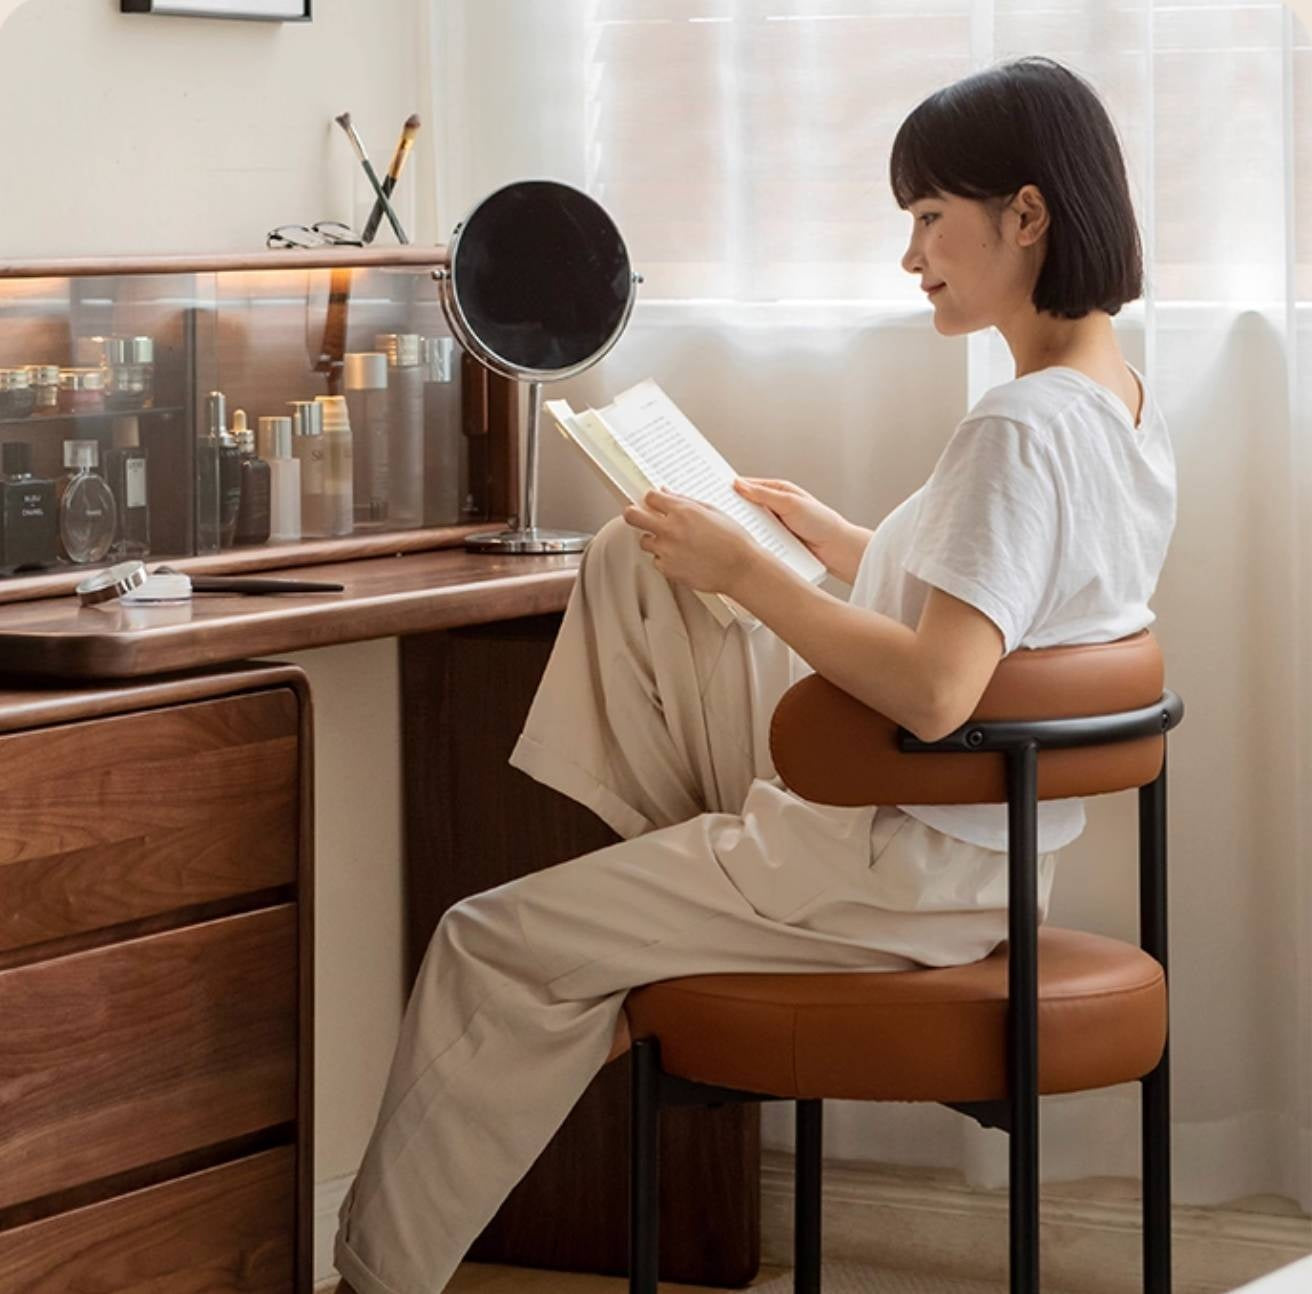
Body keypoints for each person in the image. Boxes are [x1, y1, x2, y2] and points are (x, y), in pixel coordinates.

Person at [333, 54, 1176, 1294]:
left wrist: (753, 573)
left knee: (482, 942)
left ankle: (368, 1280)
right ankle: (680, 886)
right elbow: (1022, 610)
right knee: (636, 557)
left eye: (929, 219)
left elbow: (940, 690)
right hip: (987, 858)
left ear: (1027, 216)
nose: (911, 256)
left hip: (891, 868)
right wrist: (841, 544)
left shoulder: (1015, 426)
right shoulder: (1118, 406)